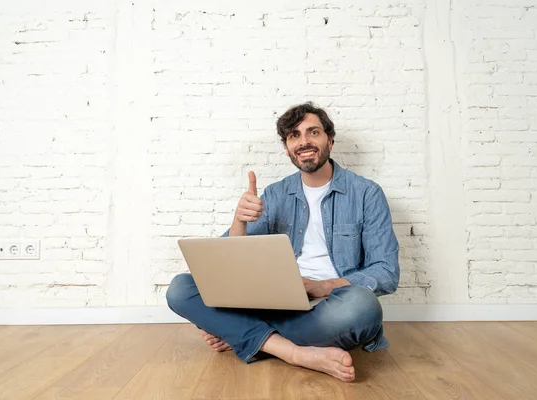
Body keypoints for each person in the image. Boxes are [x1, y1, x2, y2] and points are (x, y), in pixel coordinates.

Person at [166, 102, 400, 382]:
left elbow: (386, 273)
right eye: (294, 136)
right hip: (275, 303)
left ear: (330, 140)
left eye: (313, 132)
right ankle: (294, 353)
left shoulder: (366, 194)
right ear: (288, 148)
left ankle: (245, 334)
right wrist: (239, 221)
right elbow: (225, 265)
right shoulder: (276, 194)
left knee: (363, 306)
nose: (304, 142)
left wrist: (320, 286)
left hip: (330, 306)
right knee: (181, 287)